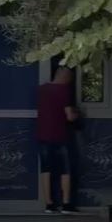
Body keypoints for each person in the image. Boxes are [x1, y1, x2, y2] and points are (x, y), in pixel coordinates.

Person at [37, 66, 79, 214]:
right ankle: (66, 204)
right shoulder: (64, 90)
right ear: (64, 76)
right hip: (60, 135)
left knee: (46, 169)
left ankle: (49, 204)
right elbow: (69, 116)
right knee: (65, 170)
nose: (69, 81)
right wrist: (77, 114)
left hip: (43, 135)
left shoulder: (42, 89)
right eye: (69, 78)